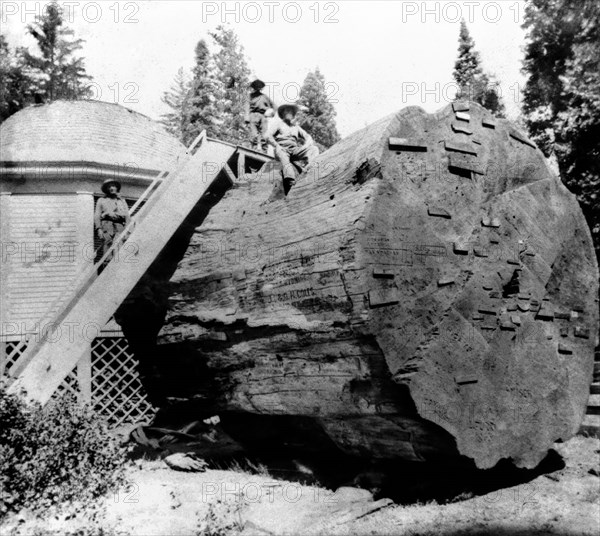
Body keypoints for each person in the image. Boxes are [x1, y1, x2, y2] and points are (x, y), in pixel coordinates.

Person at [265, 103, 319, 195]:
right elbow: (267, 136)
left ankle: (312, 169)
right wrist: (276, 145)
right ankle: (290, 179)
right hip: (282, 149)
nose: (289, 113)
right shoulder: (278, 124)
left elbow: (308, 136)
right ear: (283, 114)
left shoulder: (296, 127)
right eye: (287, 111)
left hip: (294, 151)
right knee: (282, 155)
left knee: (314, 149)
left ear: (293, 114)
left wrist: (306, 145)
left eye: (291, 112)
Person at [94, 179, 131, 259]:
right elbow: (97, 215)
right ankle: (106, 268)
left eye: (113, 186)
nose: (111, 188)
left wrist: (127, 231)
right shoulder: (101, 200)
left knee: (119, 250)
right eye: (109, 187)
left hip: (119, 226)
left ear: (117, 188)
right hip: (107, 226)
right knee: (107, 251)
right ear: (106, 189)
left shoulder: (121, 200)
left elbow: (127, 216)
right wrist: (99, 229)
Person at [244, 79, 275, 152]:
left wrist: (272, 113)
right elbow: (247, 106)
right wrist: (246, 118)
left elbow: (273, 105)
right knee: (254, 134)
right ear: (253, 87)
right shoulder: (250, 96)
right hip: (253, 115)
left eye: (259, 87)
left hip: (263, 116)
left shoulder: (265, 97)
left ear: (261, 88)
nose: (257, 88)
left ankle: (264, 151)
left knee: (264, 134)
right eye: (256, 87)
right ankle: (253, 150)